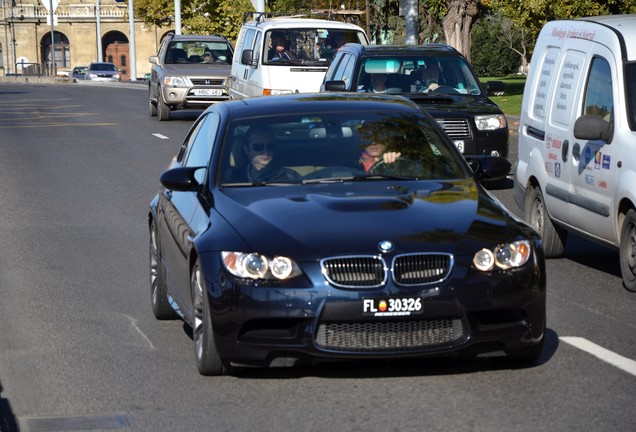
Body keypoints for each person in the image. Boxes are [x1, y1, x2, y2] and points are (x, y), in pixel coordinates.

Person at [230, 125, 300, 182]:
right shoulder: (234, 177)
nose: (265, 152)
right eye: (258, 147)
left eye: (270, 146)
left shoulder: (289, 177)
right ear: (246, 150)